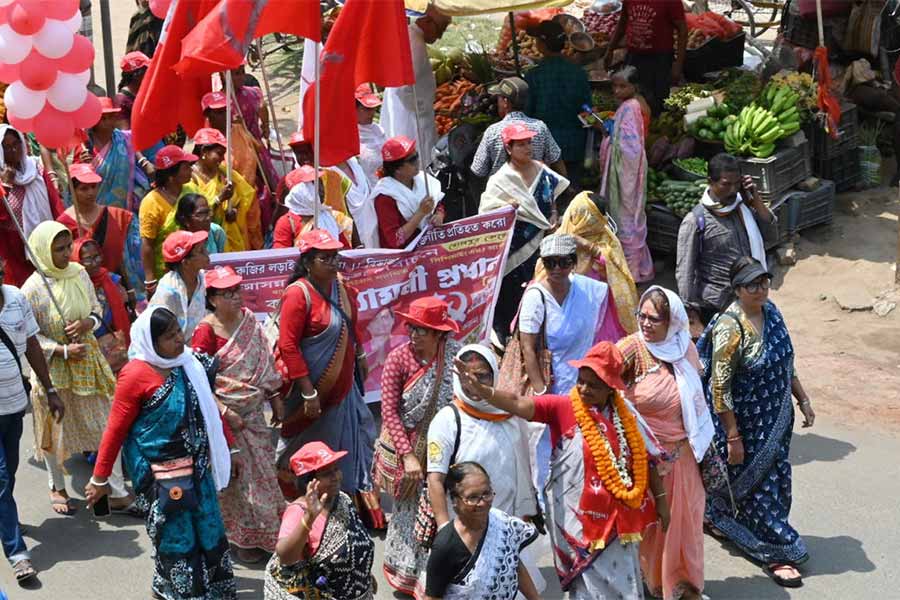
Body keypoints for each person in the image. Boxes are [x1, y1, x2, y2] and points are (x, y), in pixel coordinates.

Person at [454, 341, 670, 599]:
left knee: (623, 586)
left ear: (611, 388)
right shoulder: (564, 407)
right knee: (584, 585)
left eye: (594, 384)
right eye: (582, 380)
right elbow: (516, 402)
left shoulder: (626, 419)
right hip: (576, 523)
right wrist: (485, 391)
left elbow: (648, 462)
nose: (584, 388)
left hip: (618, 525)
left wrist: (662, 505)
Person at [85, 306, 236, 600]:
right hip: (161, 477)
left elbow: (208, 411)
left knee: (208, 529)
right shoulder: (135, 375)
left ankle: (209, 590)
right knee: (177, 538)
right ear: (151, 342)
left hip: (198, 469)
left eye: (178, 331)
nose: (179, 340)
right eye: (170, 337)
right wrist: (100, 479)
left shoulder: (188, 363)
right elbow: (115, 430)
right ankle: (182, 593)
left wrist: (233, 447)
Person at [696, 256, 815, 588]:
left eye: (765, 282)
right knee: (757, 486)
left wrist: (802, 398)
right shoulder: (729, 329)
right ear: (737, 289)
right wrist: (733, 437)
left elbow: (785, 362)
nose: (762, 289)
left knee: (774, 480)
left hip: (776, 424)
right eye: (753, 285)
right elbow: (720, 388)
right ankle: (777, 550)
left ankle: (725, 520)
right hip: (744, 427)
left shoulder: (773, 313)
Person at [21, 222, 134, 517]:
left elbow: (96, 311)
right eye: (57, 249)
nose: (63, 254)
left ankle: (116, 488)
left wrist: (87, 324)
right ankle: (56, 485)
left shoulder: (80, 274)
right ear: (41, 252)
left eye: (65, 248)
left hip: (88, 359)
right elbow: (29, 337)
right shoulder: (31, 290)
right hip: (52, 368)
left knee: (106, 422)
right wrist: (61, 349)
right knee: (53, 428)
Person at [274, 229, 379, 522]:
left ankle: (343, 505)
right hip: (313, 391)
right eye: (325, 258)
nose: (333, 263)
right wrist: (308, 391)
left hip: (343, 387)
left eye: (336, 257)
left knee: (355, 437)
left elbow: (351, 323)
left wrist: (359, 355)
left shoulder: (340, 287)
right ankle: (300, 505)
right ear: (308, 262)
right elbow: (288, 345)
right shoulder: (298, 294)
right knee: (305, 447)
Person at [617, 286, 714, 600]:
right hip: (644, 460)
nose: (645, 324)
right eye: (641, 316)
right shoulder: (631, 349)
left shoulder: (685, 347)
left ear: (672, 321)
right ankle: (652, 586)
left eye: (654, 319)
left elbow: (698, 399)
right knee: (652, 529)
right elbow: (602, 385)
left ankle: (683, 586)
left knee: (687, 524)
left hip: (684, 456)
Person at [426, 345, 543, 598]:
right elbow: (435, 479)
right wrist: (447, 530)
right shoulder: (447, 421)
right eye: (467, 376)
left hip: (504, 524)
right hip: (467, 529)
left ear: (494, 376)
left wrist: (523, 512)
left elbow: (522, 466)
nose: (473, 383)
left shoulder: (509, 413)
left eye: (482, 376)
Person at [192, 266, 284, 564]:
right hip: (225, 421)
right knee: (237, 480)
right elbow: (198, 383)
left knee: (264, 476)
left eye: (236, 290)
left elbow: (265, 362)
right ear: (212, 298)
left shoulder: (248, 322)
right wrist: (225, 412)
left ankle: (268, 533)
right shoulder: (205, 332)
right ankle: (240, 538)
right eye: (226, 293)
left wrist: (276, 397)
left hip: (254, 415)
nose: (235, 297)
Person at [376, 297, 461, 596]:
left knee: (442, 516)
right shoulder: (398, 360)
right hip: (410, 455)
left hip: (448, 453)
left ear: (440, 334)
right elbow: (389, 412)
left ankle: (435, 579)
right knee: (409, 517)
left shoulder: (457, 358)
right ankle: (407, 578)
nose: (414, 334)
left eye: (422, 330)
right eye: (412, 327)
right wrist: (409, 455)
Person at [0, 256, 63, 583]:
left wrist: (51, 389)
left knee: (8, 472)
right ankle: (17, 551)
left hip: (13, 407)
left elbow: (31, 345)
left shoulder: (16, 299)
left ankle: (4, 517)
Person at [480, 123, 568, 344]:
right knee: (513, 294)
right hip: (515, 252)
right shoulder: (500, 181)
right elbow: (486, 216)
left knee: (541, 291)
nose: (528, 147)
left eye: (529, 142)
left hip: (543, 246)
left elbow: (552, 200)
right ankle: (510, 336)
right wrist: (506, 209)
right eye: (521, 144)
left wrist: (555, 215)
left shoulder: (541, 171)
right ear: (509, 148)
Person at [264, 441, 375, 600]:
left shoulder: (342, 499)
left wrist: (365, 575)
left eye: (336, 469)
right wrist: (309, 518)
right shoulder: (298, 512)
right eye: (326, 473)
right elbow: (285, 557)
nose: (336, 477)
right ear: (308, 481)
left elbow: (354, 542)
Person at [676, 153, 777, 320]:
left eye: (737, 183)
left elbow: (772, 233)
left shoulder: (743, 207)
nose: (732, 190)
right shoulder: (696, 221)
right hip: (718, 305)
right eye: (726, 184)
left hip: (751, 298)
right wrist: (690, 310)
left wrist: (755, 199)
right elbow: (685, 271)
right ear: (710, 181)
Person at [424, 462, 540, 600]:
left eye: (486, 494)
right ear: (455, 501)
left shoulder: (501, 523)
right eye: (472, 497)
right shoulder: (445, 546)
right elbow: (432, 597)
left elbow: (512, 564)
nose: (482, 503)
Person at [532, 191, 640, 333]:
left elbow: (614, 266)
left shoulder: (606, 237)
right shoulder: (565, 233)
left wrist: (588, 247)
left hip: (596, 303)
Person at [79, 97, 152, 293]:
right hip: (96, 219)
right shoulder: (84, 146)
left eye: (113, 117)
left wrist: (144, 162)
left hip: (123, 215)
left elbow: (136, 148)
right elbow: (75, 180)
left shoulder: (123, 138)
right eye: (105, 118)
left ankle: (138, 298)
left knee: (133, 255)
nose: (111, 122)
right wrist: (84, 162)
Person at [598, 66, 655, 283]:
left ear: (635, 86)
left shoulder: (631, 107)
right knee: (633, 218)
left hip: (628, 175)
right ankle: (638, 269)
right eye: (615, 86)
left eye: (623, 86)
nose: (616, 91)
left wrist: (610, 136)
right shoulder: (634, 105)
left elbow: (631, 149)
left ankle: (630, 274)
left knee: (627, 219)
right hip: (634, 170)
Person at [381, 5, 452, 167]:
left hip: (404, 108)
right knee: (418, 160)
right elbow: (404, 88)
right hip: (412, 115)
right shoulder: (416, 44)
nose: (439, 37)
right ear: (427, 22)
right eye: (439, 30)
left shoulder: (408, 34)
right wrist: (420, 109)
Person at [58, 164, 136, 303]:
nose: (91, 193)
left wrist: (129, 288)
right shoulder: (64, 224)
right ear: (72, 190)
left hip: (114, 286)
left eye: (94, 186)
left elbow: (120, 258)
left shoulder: (114, 216)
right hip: (82, 293)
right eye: (84, 188)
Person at [524, 21, 592, 181]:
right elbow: (587, 110)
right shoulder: (579, 73)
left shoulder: (534, 75)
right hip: (575, 145)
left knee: (547, 196)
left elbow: (528, 114)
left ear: (541, 44)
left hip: (545, 148)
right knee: (573, 193)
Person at [0, 125, 65, 286]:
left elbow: (54, 203)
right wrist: (6, 185)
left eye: (16, 144)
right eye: (7, 147)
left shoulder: (36, 168)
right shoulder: (2, 180)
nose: (14, 150)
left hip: (46, 243)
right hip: (14, 250)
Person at [183, 127, 261, 251]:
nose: (221, 159)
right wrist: (219, 199)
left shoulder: (226, 174)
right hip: (203, 242)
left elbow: (246, 196)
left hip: (229, 238)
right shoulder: (190, 178)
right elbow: (191, 213)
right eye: (218, 154)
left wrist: (234, 211)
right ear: (204, 152)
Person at [470, 77, 564, 178]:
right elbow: (556, 159)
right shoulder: (540, 127)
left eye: (498, 98)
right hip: (534, 191)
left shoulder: (492, 131)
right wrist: (566, 187)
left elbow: (479, 170)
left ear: (505, 102)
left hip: (502, 191)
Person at [605, 0, 687, 115]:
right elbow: (623, 22)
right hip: (634, 56)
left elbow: (682, 30)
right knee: (630, 99)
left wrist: (678, 64)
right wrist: (610, 49)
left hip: (659, 59)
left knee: (656, 103)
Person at [140, 145, 198, 297]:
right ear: (171, 176)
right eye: (186, 168)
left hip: (193, 264)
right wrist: (150, 279)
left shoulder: (191, 191)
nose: (191, 170)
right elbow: (147, 244)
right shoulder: (151, 203)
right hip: (166, 271)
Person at [371, 137, 445, 249]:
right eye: (412, 160)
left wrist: (439, 215)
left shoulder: (424, 180)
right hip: (402, 257)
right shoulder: (385, 196)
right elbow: (395, 240)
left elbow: (438, 204)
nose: (417, 162)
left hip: (428, 247)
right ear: (397, 169)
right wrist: (420, 213)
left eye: (417, 156)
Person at [71, 239, 133, 373]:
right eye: (88, 259)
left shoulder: (111, 279)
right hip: (90, 346)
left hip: (114, 342)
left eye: (97, 256)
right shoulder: (74, 288)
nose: (95, 263)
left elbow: (124, 312)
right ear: (77, 262)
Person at [229, 63, 278, 229]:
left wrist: (265, 126)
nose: (240, 77)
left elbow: (263, 106)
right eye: (235, 74)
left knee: (271, 183)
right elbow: (238, 129)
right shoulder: (222, 102)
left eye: (242, 72)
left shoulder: (252, 93)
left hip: (256, 147)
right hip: (236, 150)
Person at [273, 166, 354, 250]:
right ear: (300, 192)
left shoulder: (331, 216)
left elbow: (344, 248)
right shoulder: (287, 223)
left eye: (321, 184)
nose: (322, 190)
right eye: (314, 185)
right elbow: (282, 257)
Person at [149, 230, 210, 339]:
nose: (207, 252)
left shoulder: (204, 279)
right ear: (186, 263)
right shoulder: (168, 292)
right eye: (201, 251)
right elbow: (160, 334)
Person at [356, 84, 388, 188]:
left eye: (374, 108)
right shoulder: (350, 137)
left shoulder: (378, 131)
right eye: (366, 109)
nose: (372, 113)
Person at [116, 51, 151, 124]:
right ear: (136, 75)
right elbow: (124, 133)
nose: (150, 74)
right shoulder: (121, 102)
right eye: (147, 71)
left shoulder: (141, 94)